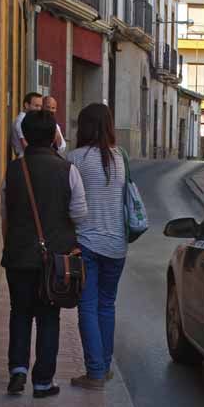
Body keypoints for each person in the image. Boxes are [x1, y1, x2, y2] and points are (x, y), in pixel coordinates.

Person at [1, 110, 88, 398]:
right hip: (54, 259)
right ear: (54, 136)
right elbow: (79, 213)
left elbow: (6, 213)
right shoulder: (67, 170)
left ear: (24, 137)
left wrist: (10, 244)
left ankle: (17, 369)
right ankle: (42, 382)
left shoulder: (14, 170)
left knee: (20, 312)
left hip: (18, 256)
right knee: (49, 316)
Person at [66, 103, 128, 390]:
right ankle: (104, 365)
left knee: (87, 307)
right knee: (107, 305)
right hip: (117, 246)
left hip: (87, 243)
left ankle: (95, 372)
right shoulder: (121, 158)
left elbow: (69, 204)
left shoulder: (75, 158)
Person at [11, 92, 43, 157]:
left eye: (40, 106)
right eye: (36, 106)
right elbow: (24, 144)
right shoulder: (21, 121)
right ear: (26, 105)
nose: (39, 109)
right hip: (26, 158)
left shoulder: (30, 119)